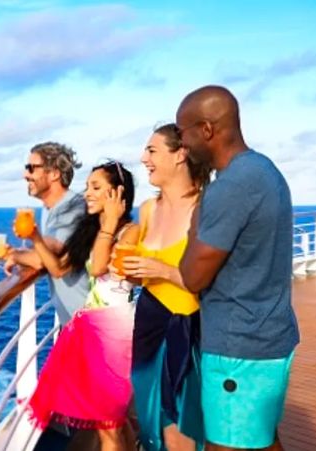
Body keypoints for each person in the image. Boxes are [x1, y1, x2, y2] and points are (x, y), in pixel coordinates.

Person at [176, 86, 299, 451]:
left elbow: (193, 276)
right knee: (261, 441)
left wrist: (197, 216)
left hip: (239, 349)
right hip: (269, 337)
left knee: (227, 445)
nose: (183, 146)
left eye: (183, 134)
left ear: (207, 130)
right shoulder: (262, 170)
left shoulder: (231, 187)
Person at [26, 161, 139, 451]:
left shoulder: (130, 232)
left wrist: (111, 223)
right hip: (91, 331)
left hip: (114, 333)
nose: (87, 193)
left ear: (117, 194)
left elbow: (100, 265)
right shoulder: (92, 230)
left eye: (96, 187)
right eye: (88, 186)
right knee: (113, 421)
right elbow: (60, 267)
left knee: (109, 425)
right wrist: (35, 237)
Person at [115, 124, 211, 451]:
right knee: (151, 422)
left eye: (152, 150)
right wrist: (131, 273)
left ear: (180, 154)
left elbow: (216, 283)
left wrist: (164, 270)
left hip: (187, 330)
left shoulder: (206, 209)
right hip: (148, 326)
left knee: (180, 429)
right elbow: (140, 276)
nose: (144, 158)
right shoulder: (147, 210)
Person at [4, 142, 88, 326]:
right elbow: (44, 252)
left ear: (54, 174)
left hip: (88, 323)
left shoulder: (71, 208)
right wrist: (19, 254)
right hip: (77, 321)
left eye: (31, 168)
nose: (25, 175)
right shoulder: (50, 208)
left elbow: (43, 258)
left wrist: (12, 254)